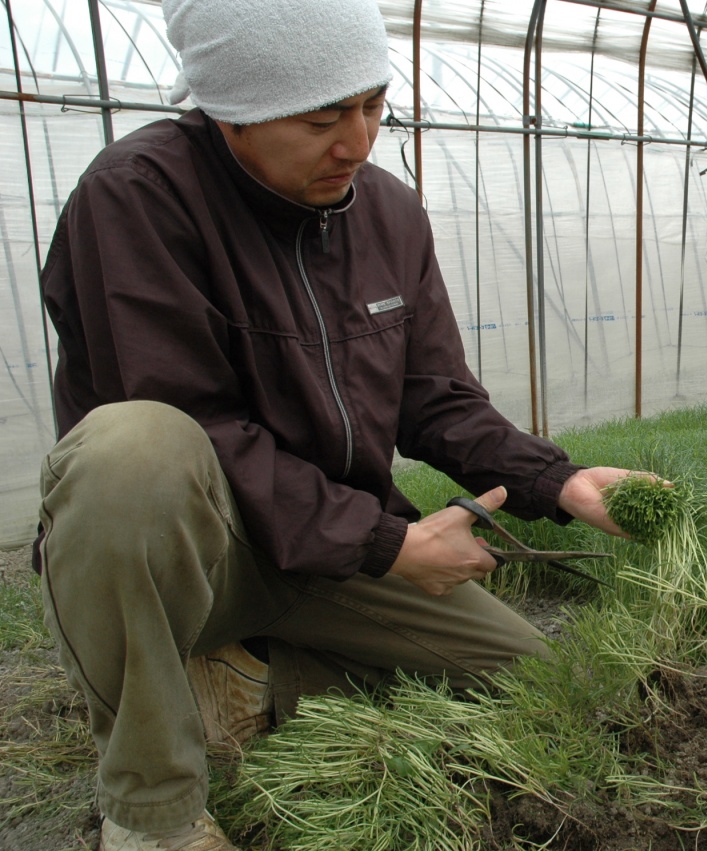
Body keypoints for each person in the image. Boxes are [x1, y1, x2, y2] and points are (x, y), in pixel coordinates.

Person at [34, 1, 636, 849]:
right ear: (230, 112)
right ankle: (152, 813)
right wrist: (390, 546)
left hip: (328, 548)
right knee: (130, 451)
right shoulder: (137, 197)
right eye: (322, 119)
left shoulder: (385, 212)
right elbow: (200, 426)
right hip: (207, 550)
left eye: (372, 105)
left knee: (530, 672)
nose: (357, 142)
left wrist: (559, 481)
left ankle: (245, 676)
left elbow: (435, 394)